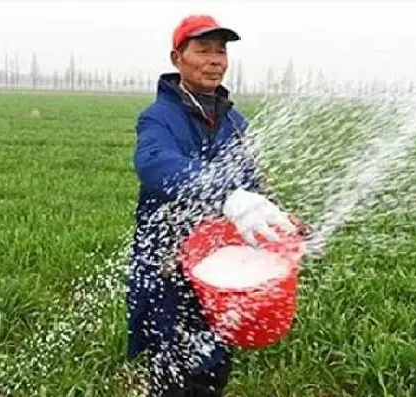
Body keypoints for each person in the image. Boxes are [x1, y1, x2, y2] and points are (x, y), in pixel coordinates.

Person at [126, 14, 315, 397]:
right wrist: (226, 195)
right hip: (170, 267)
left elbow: (253, 183)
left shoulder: (233, 122)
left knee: (214, 368)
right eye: (203, 50)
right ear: (177, 58)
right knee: (175, 374)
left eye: (221, 50)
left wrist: (280, 219)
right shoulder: (159, 117)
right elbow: (155, 164)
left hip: (220, 272)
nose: (215, 60)